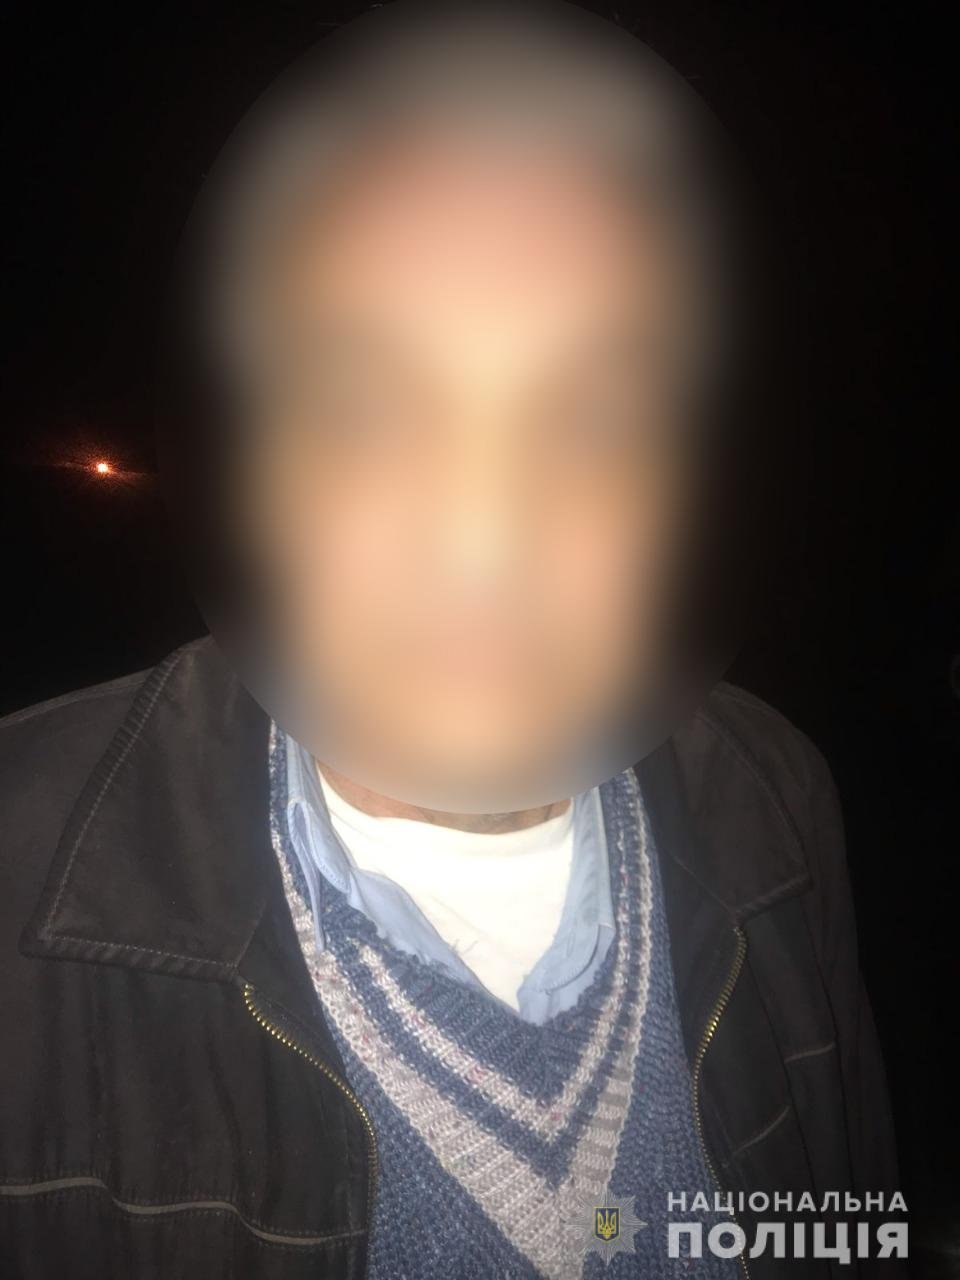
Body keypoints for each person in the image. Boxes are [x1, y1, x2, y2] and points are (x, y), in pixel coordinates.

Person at [0, 4, 901, 1277]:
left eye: (598, 421)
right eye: (366, 411)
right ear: (250, 453)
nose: (487, 537)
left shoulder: (776, 799)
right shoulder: (20, 883)